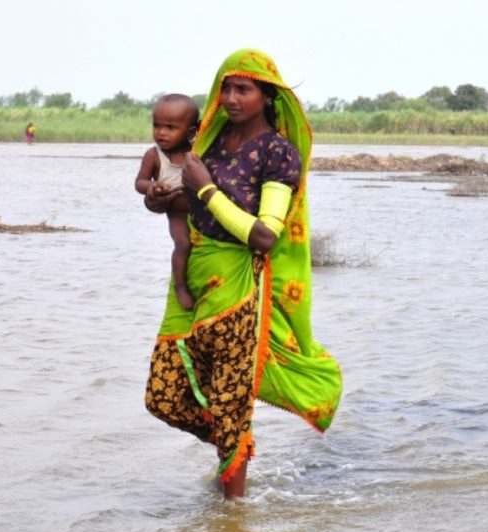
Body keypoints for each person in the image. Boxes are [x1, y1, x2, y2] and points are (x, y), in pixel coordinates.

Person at [143, 49, 343, 499]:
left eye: (243, 89)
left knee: (231, 405)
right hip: (193, 284)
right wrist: (158, 200)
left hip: (238, 290)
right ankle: (235, 450)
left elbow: (265, 236)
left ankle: (232, 518)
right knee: (163, 396)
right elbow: (183, 200)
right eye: (226, 88)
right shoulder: (208, 142)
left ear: (266, 96)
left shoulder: (278, 153)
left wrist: (206, 188)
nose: (231, 98)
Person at [134, 94, 199, 310]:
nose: (161, 133)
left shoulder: (197, 151)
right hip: (177, 213)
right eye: (157, 126)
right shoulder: (154, 155)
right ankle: (180, 285)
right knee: (183, 244)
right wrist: (151, 187)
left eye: (171, 127)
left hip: (200, 212)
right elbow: (140, 182)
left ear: (190, 132)